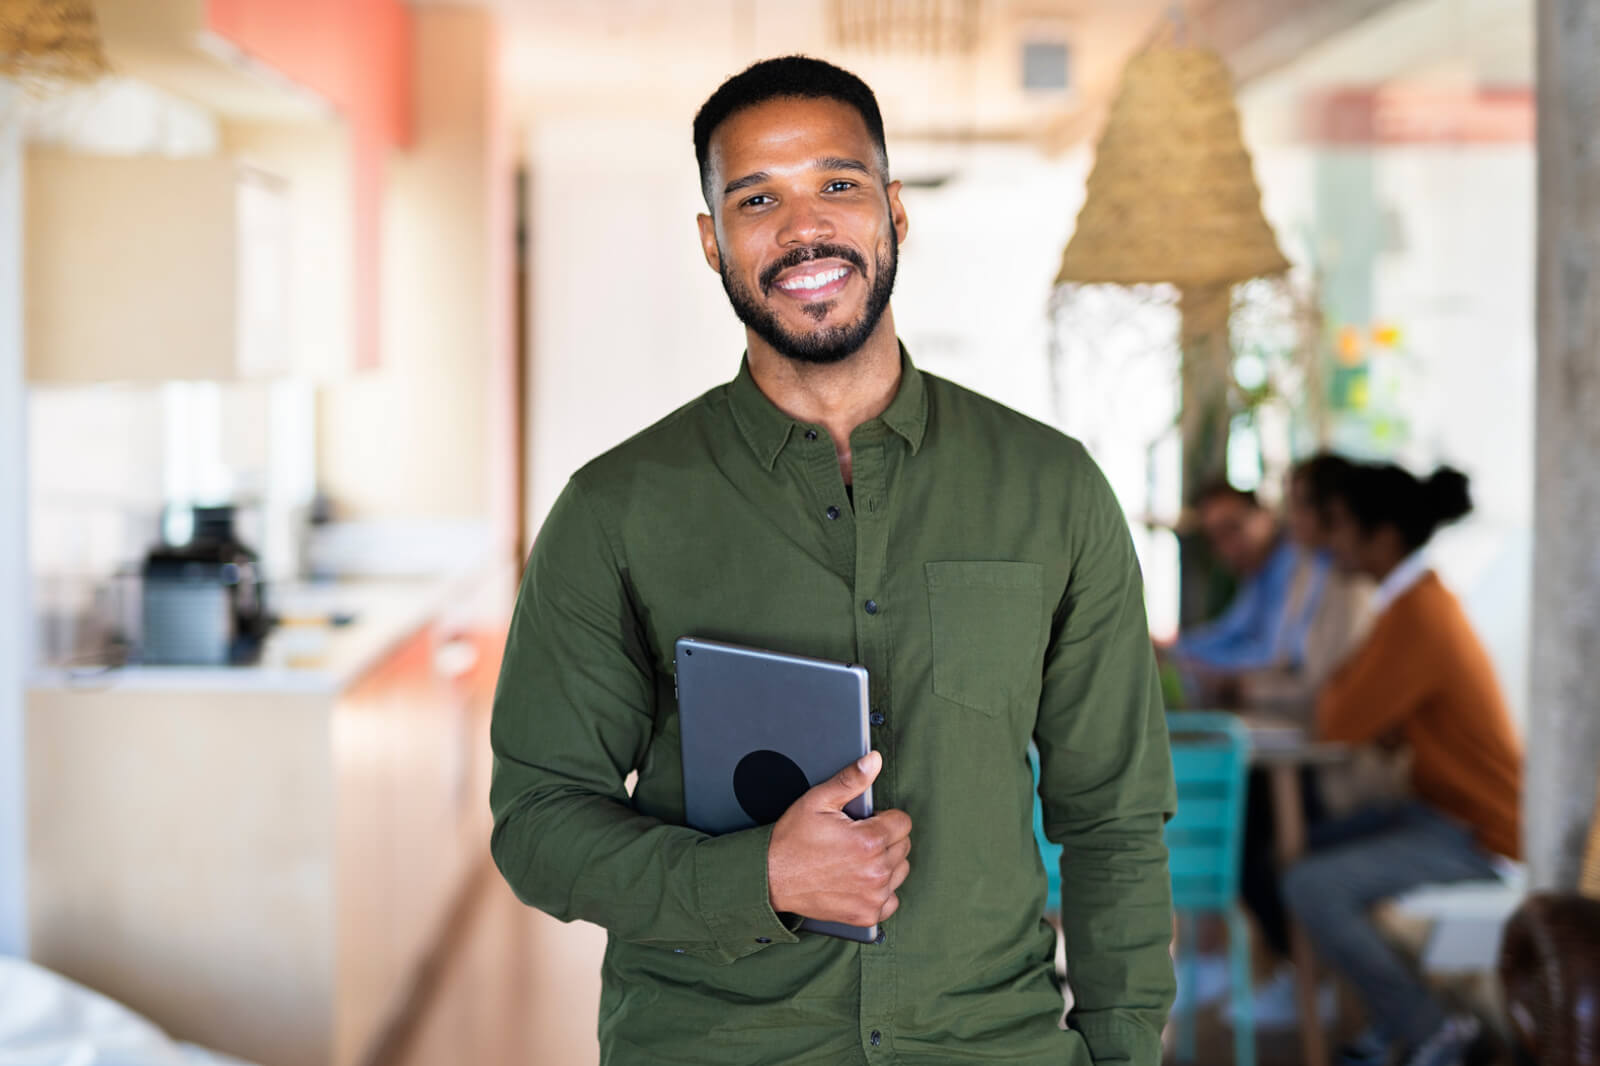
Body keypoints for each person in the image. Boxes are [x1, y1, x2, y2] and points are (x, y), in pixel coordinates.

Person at [487, 56, 1176, 1065]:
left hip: (992, 1041)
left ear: (895, 210)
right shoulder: (615, 509)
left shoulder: (1053, 490)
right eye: (756, 198)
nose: (803, 228)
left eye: (838, 185)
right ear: (710, 240)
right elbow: (538, 825)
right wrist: (756, 877)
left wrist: (1119, 1049)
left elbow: (1113, 818)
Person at [1281, 462, 1523, 1066]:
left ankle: (1437, 1030)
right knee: (1296, 850)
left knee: (1307, 880)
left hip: (1483, 834)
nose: (1328, 544)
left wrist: (1344, 689)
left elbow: (1335, 717)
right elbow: (1353, 710)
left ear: (1383, 537)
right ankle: (1396, 1021)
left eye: (1338, 529)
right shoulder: (1415, 602)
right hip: (1440, 814)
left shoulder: (1417, 614)